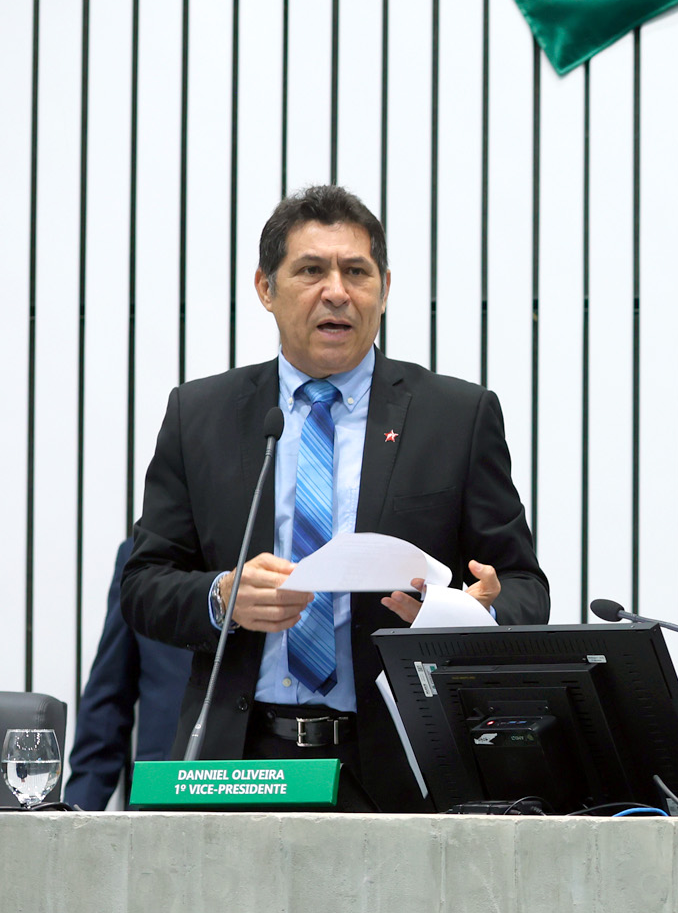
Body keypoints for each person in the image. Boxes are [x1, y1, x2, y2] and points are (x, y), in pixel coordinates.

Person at [121, 185, 549, 812]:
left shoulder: (455, 417)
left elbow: (522, 584)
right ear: (266, 288)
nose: (337, 291)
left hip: (403, 767)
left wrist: (466, 614)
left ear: (384, 287)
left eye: (356, 271)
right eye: (311, 271)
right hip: (243, 763)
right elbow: (143, 584)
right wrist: (221, 597)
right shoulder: (201, 415)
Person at [62, 536, 193, 811]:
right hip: (159, 794)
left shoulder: (274, 549)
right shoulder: (141, 557)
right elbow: (109, 700)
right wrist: (75, 820)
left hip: (260, 788)